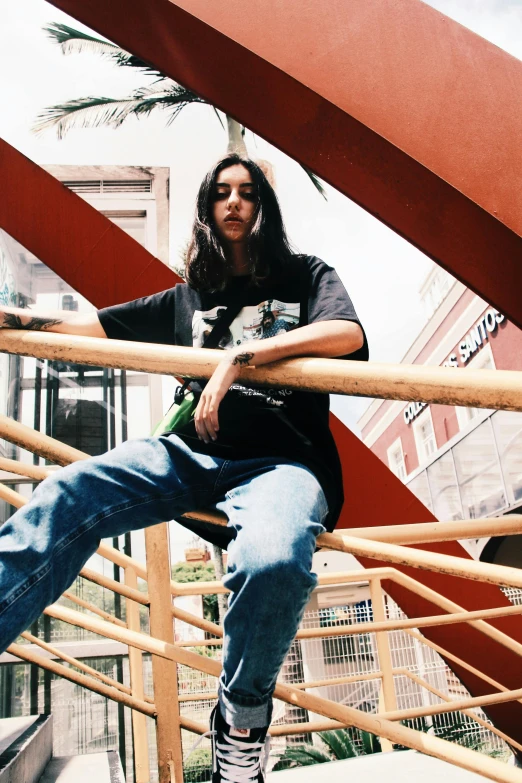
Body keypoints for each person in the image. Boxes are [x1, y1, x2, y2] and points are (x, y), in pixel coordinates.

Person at [0, 154, 368, 782]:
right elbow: (82, 327)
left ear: (263, 208)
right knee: (70, 489)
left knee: (274, 559)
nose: (234, 203)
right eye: (221, 192)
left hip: (283, 462)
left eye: (247, 193)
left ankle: (241, 721)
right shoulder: (185, 300)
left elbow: (347, 334)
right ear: (206, 207)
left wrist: (242, 356)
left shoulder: (307, 276)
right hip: (192, 454)